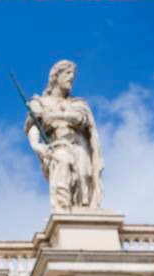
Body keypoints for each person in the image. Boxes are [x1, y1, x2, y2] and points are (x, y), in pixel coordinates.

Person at [25, 60, 103, 211]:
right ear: (56, 77)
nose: (71, 77)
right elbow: (33, 126)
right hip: (57, 146)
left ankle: (83, 214)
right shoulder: (39, 102)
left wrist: (54, 115)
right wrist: (36, 146)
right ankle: (63, 211)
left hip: (79, 144)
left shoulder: (77, 103)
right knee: (63, 161)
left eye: (72, 75)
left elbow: (81, 118)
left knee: (83, 176)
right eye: (67, 74)